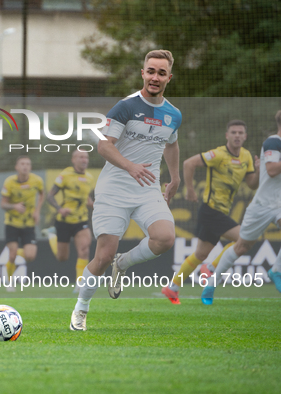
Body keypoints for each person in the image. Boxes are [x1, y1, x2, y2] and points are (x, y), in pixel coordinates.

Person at [69, 50, 182, 331]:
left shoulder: (173, 114)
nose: (155, 77)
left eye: (161, 72)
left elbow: (171, 144)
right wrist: (130, 166)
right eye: (151, 71)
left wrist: (175, 176)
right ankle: (81, 309)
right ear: (143, 73)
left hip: (147, 189)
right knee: (103, 256)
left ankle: (124, 263)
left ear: (169, 77)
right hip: (114, 190)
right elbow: (104, 145)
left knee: (165, 238)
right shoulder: (126, 106)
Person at [161, 120, 259, 304]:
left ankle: (172, 287)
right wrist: (189, 189)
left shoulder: (246, 156)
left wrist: (259, 170)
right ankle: (212, 268)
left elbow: (252, 183)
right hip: (211, 210)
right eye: (233, 132)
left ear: (245, 136)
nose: (237, 135)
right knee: (244, 238)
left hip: (220, 212)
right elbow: (189, 163)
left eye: (240, 133)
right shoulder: (218, 154)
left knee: (200, 254)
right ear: (227, 136)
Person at [201, 111, 281, 303]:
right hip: (262, 205)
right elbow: (271, 170)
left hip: (279, 204)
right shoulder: (273, 142)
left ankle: (276, 271)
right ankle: (212, 283)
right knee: (242, 246)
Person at [43, 150, 94, 286]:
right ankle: (52, 236)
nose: (84, 160)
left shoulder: (89, 177)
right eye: (81, 157)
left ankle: (80, 285)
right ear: (74, 159)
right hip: (64, 221)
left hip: (81, 220)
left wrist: (93, 205)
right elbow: (50, 196)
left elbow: (86, 198)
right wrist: (60, 209)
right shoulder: (65, 175)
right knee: (62, 257)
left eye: (86, 157)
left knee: (84, 250)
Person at [0, 156, 44, 290]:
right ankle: (9, 282)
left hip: (28, 223)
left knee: (30, 256)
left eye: (28, 164)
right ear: (17, 167)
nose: (25, 166)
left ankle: (13, 255)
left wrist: (37, 211)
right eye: (22, 164)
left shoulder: (37, 180)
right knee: (12, 254)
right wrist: (14, 206)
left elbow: (42, 194)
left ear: (30, 167)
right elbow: (3, 204)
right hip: (12, 223)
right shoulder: (9, 182)